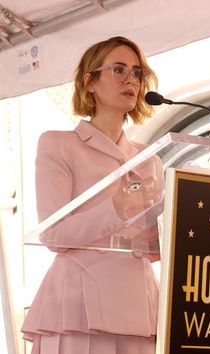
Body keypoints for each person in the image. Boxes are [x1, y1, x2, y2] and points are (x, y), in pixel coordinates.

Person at [21, 36, 164, 354]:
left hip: (139, 307)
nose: (131, 79)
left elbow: (152, 243)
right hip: (79, 307)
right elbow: (54, 234)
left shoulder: (150, 159)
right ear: (90, 82)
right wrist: (117, 208)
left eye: (137, 73)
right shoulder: (58, 144)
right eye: (118, 69)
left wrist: (169, 231)